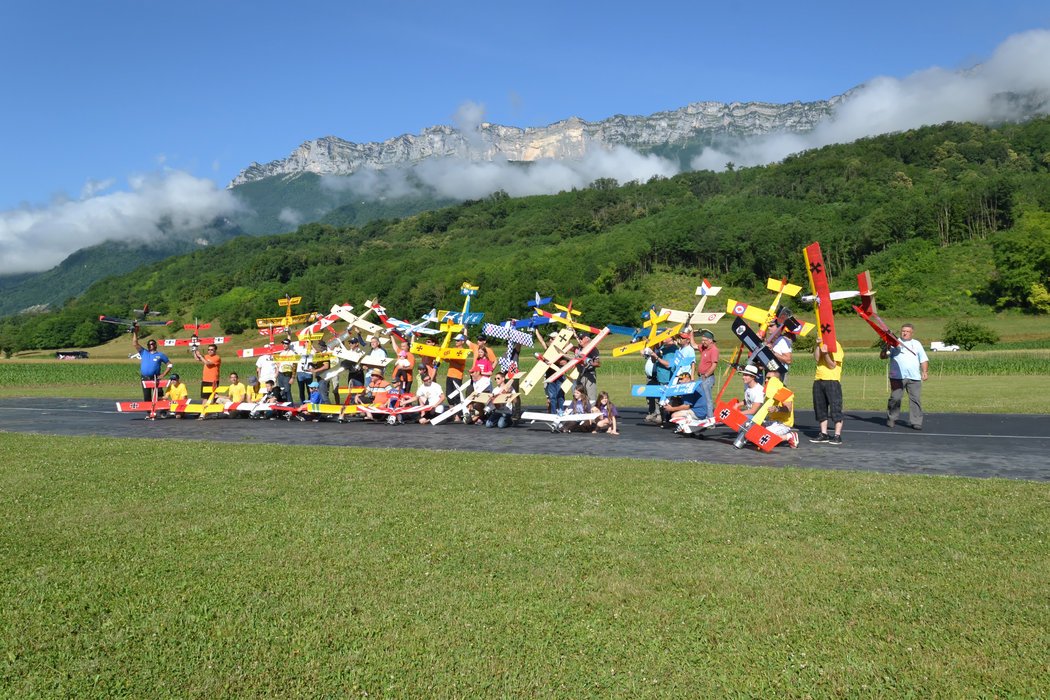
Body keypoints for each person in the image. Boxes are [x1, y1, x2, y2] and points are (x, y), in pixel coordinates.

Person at [881, 323, 930, 430]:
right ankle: (892, 418)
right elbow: (883, 356)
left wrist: (925, 371)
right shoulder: (894, 343)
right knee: (895, 398)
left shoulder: (916, 344)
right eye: (903, 331)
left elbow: (923, 359)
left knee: (915, 399)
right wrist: (887, 347)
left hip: (914, 377)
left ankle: (916, 422)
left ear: (912, 333)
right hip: (897, 377)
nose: (905, 333)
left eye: (907, 331)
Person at [740, 364, 799, 448]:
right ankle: (773, 438)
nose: (766, 380)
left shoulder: (784, 391)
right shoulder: (768, 391)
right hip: (771, 421)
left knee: (761, 436)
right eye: (766, 378)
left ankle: (789, 436)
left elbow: (788, 408)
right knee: (751, 431)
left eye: (769, 378)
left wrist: (777, 408)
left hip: (783, 424)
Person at [810, 339, 844, 445]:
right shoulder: (820, 344)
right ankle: (823, 433)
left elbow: (832, 365)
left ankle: (837, 435)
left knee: (835, 408)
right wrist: (817, 345)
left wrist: (825, 354)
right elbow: (817, 358)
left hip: (832, 380)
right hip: (819, 379)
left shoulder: (836, 345)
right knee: (820, 408)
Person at [132, 328, 173, 401]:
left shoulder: (160, 355)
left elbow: (170, 365)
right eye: (149, 344)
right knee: (147, 397)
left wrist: (163, 374)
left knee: (159, 395)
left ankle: (161, 408)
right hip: (145, 378)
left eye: (152, 344)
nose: (150, 345)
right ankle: (149, 408)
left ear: (155, 345)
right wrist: (135, 332)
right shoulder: (143, 352)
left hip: (156, 378)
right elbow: (135, 343)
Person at [696, 329, 720, 417]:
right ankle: (703, 417)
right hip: (701, 377)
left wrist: (706, 375)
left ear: (710, 340)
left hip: (707, 378)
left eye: (705, 340)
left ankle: (710, 418)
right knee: (701, 398)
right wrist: (691, 333)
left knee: (707, 399)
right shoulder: (704, 348)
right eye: (702, 340)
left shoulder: (714, 350)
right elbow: (693, 345)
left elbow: (714, 365)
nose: (703, 342)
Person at [573, 332, 601, 404]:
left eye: (581, 338)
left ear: (587, 339)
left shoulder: (593, 349)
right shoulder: (579, 349)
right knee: (579, 396)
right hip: (580, 375)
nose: (579, 340)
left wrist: (588, 360)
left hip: (589, 375)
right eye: (579, 338)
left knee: (591, 397)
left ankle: (593, 410)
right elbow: (570, 347)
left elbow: (598, 363)